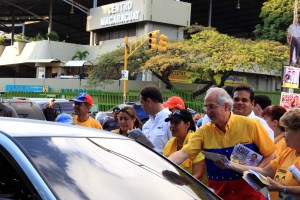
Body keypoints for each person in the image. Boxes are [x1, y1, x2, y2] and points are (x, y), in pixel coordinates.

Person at [168, 87, 276, 199]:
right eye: (206, 107)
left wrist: (254, 173)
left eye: (212, 107)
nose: (208, 112)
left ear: (226, 106)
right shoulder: (204, 131)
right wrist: (163, 163)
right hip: (220, 195)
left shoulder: (251, 125)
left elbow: (271, 154)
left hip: (251, 195)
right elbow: (183, 153)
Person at [227, 108, 300, 199]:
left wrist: (282, 188)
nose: (284, 134)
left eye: (287, 130)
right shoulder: (287, 153)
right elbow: (264, 171)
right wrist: (230, 164)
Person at [163, 109, 207, 184]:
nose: (172, 126)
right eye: (171, 122)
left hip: (195, 191)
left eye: (176, 122)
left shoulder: (196, 142)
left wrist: (182, 184)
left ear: (187, 124)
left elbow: (198, 175)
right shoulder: (170, 143)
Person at [139, 86, 172, 153]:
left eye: (142, 102)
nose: (141, 106)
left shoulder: (171, 120)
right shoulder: (146, 125)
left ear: (148, 101)